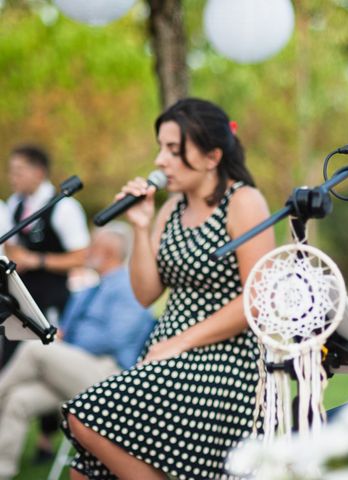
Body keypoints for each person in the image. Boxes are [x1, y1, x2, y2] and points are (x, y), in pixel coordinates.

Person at [62, 98, 276, 479]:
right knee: (86, 470)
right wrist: (141, 227)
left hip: (224, 362)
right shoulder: (170, 209)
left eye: (174, 150)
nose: (160, 160)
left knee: (84, 416)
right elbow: (145, 293)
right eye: (161, 148)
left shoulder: (244, 201)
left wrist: (180, 343)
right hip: (167, 354)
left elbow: (256, 300)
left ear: (211, 156)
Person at [0, 223, 155, 480]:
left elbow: (115, 339)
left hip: (108, 375)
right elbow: (70, 329)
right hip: (75, 371)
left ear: (107, 251)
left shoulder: (128, 286)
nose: (85, 251)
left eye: (91, 246)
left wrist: (67, 341)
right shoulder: (91, 287)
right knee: (19, 400)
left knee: (34, 350)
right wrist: (63, 335)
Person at [3, 145, 90, 366]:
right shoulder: (15, 203)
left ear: (38, 172)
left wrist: (37, 261)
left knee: (43, 356)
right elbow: (11, 245)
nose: (13, 178)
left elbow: (81, 257)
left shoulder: (64, 207)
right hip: (19, 299)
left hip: (52, 299)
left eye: (19, 172)